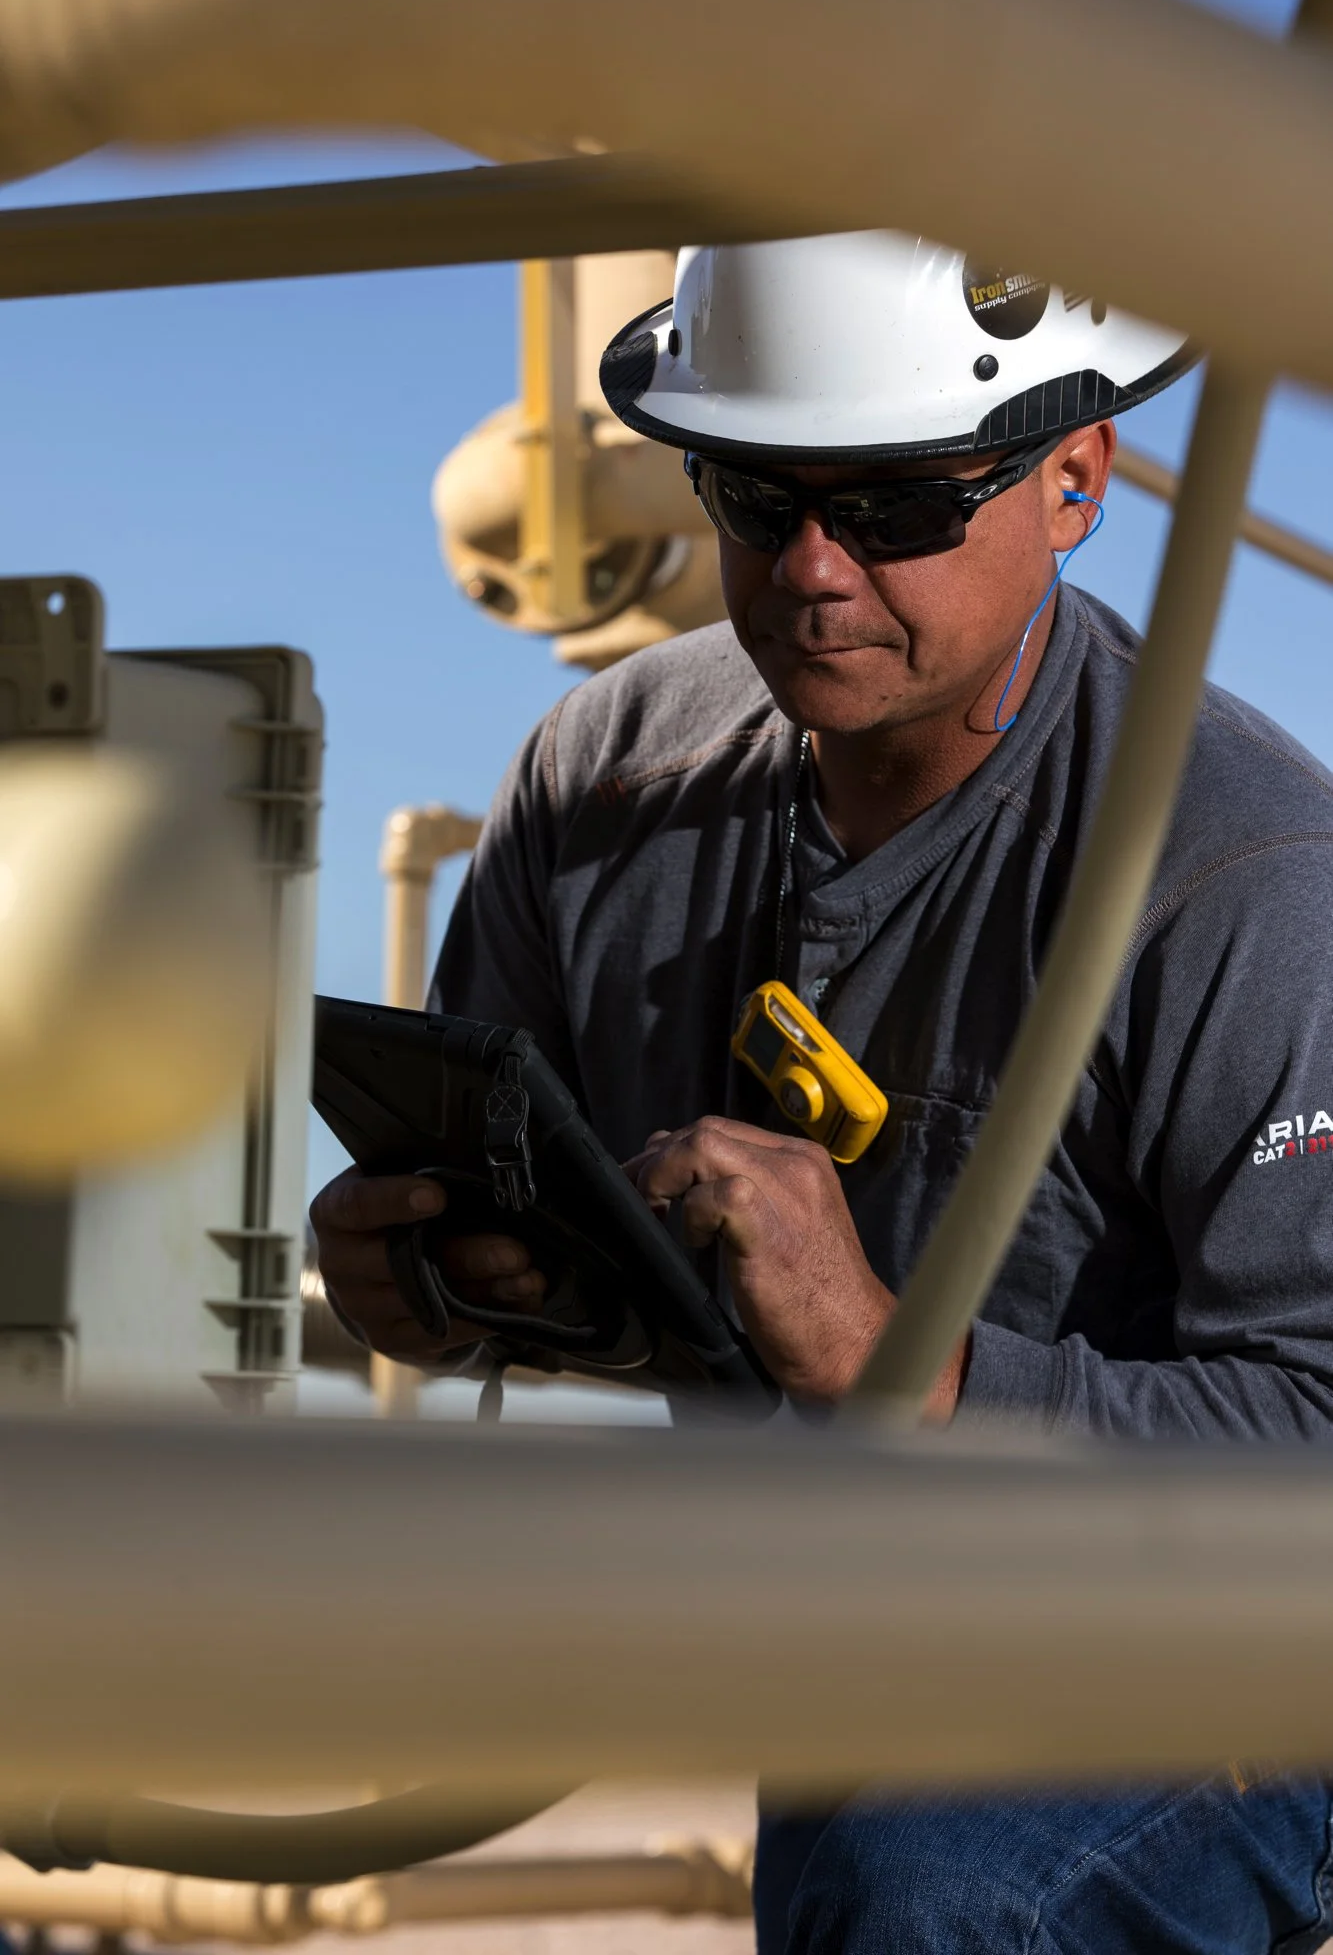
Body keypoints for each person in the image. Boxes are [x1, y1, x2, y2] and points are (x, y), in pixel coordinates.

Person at [311, 232, 1333, 1953]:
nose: (812, 570)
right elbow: (533, 1230)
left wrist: (901, 1367)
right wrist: (454, 1278)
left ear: (1073, 479)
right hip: (865, 1635)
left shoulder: (1241, 875)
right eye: (754, 491)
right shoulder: (602, 781)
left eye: (899, 507)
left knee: (927, 1905)